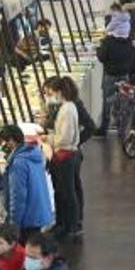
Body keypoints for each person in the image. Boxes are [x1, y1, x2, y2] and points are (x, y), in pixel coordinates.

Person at [44, 76, 84, 240]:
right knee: (66, 192)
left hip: (65, 155)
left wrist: (48, 138)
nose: (50, 97)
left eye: (51, 93)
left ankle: (69, 226)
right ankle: (65, 224)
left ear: (59, 92)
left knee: (66, 193)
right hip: (68, 155)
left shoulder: (66, 110)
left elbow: (64, 138)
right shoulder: (69, 107)